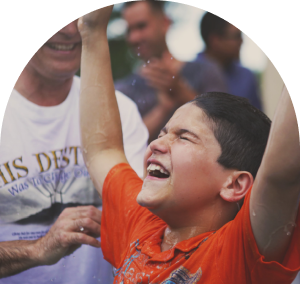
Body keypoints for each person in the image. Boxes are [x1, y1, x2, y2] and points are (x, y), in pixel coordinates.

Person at [79, 6, 300, 283]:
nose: (157, 144)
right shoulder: (142, 225)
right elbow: (103, 149)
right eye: (162, 133)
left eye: (184, 137)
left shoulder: (239, 253)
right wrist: (92, 30)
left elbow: (281, 176)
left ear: (235, 185)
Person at [0, 18, 148, 283]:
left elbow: (141, 220)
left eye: (80, 19)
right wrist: (38, 249)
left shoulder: (121, 111)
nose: (70, 30)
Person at [115, 0, 228, 142]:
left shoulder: (206, 71)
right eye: (129, 30)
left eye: (141, 26)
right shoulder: (122, 89)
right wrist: (163, 108)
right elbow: (121, 144)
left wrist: (180, 90)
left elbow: (225, 127)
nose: (134, 38)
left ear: (165, 23)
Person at [195, 11, 262, 110]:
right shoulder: (187, 74)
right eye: (236, 36)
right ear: (215, 40)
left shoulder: (246, 76)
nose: (242, 41)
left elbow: (260, 120)